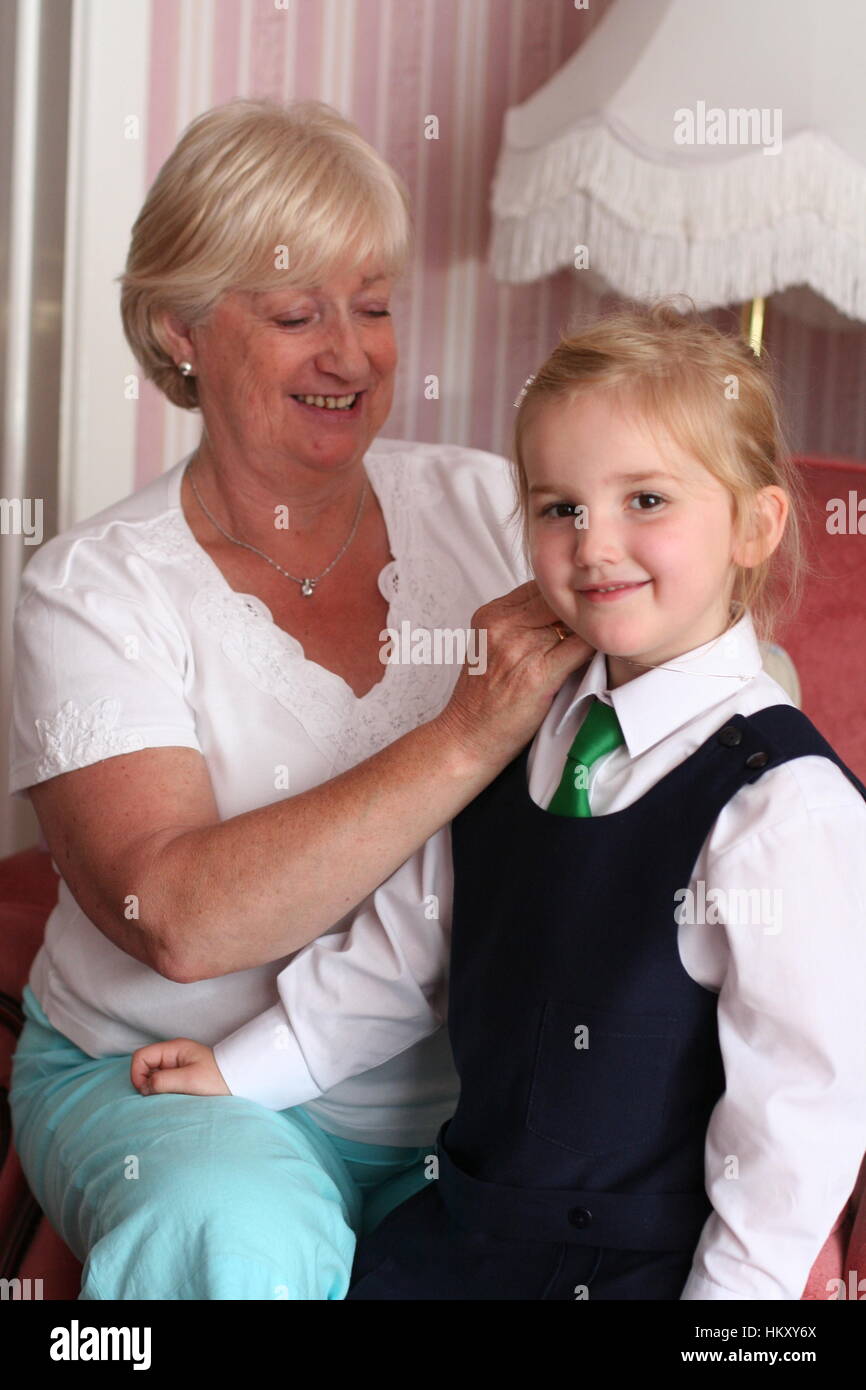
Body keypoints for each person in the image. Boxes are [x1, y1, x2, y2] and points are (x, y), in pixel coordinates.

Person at [131, 304, 866, 1301]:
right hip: (463, 1239)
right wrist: (243, 1069)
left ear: (753, 523)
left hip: (644, 1269)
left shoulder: (783, 806)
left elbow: (798, 1111)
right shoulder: (517, 721)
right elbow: (402, 952)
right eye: (559, 507)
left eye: (644, 499)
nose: (594, 542)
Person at [7, 96, 595, 1301]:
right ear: (178, 330)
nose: (351, 353)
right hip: (166, 1079)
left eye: (372, 306)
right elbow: (176, 918)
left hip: (470, 1093)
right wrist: (463, 736)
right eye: (294, 313)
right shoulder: (90, 587)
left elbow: (701, 673)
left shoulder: (492, 507)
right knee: (243, 1238)